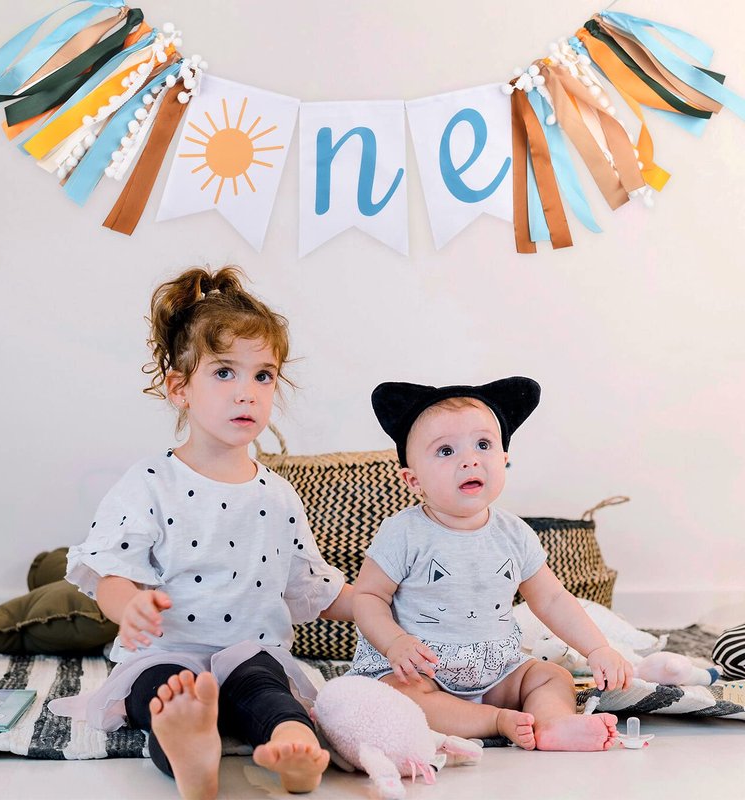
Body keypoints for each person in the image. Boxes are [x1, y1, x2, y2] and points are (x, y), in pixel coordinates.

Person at [49, 265, 352, 799]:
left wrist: (384, 602)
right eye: (225, 372)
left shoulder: (278, 495)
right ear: (179, 388)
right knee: (162, 696)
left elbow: (313, 586)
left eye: (263, 376)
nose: (247, 393)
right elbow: (113, 572)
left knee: (270, 694)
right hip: (168, 652)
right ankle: (190, 755)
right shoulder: (150, 482)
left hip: (250, 651)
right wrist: (130, 607)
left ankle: (294, 747)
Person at [350, 378, 633, 752]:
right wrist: (395, 643)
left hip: (495, 670)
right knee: (397, 697)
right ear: (413, 480)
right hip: (422, 670)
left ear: (504, 459)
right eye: (446, 450)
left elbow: (551, 599)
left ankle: (551, 723)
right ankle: (496, 721)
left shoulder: (514, 533)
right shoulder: (404, 533)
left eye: (483, 445)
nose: (470, 459)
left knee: (551, 677)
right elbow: (368, 597)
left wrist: (597, 648)